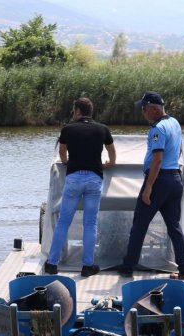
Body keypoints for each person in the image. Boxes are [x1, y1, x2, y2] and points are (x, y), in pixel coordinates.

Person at [118, 91, 184, 280]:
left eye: (144, 108)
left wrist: (149, 187)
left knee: (139, 225)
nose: (143, 112)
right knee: (174, 226)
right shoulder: (174, 123)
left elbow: (157, 160)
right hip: (175, 179)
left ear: (154, 108)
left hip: (159, 181)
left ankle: (128, 266)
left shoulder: (157, 129)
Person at [44, 97, 116, 277]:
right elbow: (112, 151)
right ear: (91, 112)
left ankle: (52, 264)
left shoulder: (67, 129)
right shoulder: (102, 129)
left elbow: (62, 151)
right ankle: (87, 266)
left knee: (64, 222)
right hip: (94, 179)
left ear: (77, 111)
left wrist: (66, 161)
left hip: (74, 178)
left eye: (73, 110)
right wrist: (110, 163)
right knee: (90, 223)